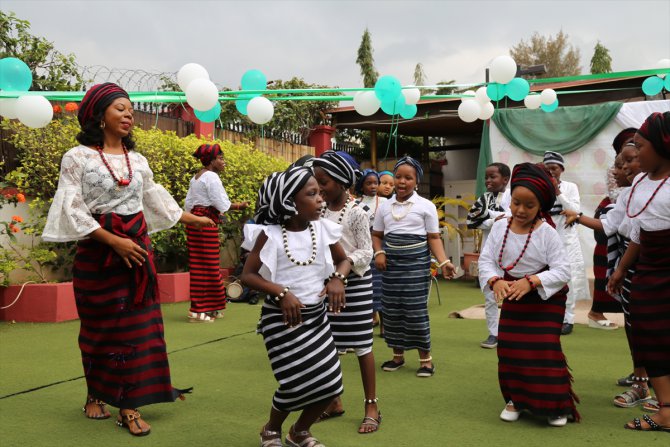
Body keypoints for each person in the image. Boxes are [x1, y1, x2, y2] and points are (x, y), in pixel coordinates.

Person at [41, 83, 215, 436]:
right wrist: (113, 241)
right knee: (100, 330)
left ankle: (129, 406)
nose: (128, 114)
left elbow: (154, 199)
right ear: (99, 115)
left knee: (139, 331)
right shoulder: (77, 157)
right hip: (99, 255)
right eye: (120, 108)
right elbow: (72, 207)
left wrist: (194, 218)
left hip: (137, 255)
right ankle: (95, 393)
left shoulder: (138, 161)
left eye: (130, 108)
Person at [240, 166, 352, 447]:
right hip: (282, 320)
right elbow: (248, 275)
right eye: (312, 194)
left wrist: (338, 279)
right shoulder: (270, 235)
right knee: (294, 383)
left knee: (332, 383)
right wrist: (281, 292)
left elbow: (344, 260)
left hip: (317, 317)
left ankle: (300, 431)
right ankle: (271, 429)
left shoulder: (323, 229)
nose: (320, 200)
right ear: (290, 202)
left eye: (321, 194)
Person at [478, 162, 577, 427]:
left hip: (546, 298)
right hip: (513, 294)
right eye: (516, 203)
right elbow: (486, 260)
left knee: (544, 347)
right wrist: (495, 280)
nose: (520, 210)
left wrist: (532, 281)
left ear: (540, 206)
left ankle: (555, 405)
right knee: (509, 347)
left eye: (529, 206)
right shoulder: (500, 227)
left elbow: (563, 270)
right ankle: (515, 400)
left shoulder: (547, 233)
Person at [563, 142, 654, 409]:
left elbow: (640, 235)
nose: (622, 167)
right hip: (633, 270)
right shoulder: (627, 197)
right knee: (635, 326)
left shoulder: (660, 191)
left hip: (653, 267)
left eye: (630, 160)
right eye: (619, 163)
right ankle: (641, 383)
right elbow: (610, 226)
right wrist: (577, 216)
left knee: (656, 327)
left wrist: (620, 269)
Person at [607, 112, 670, 432]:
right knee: (649, 335)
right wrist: (620, 270)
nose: (635, 153)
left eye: (641, 146)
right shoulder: (642, 183)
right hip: (648, 271)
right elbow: (637, 233)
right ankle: (666, 410)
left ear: (662, 146)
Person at [312, 151, 380, 434]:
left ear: (341, 181)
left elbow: (367, 251)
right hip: (327, 286)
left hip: (354, 286)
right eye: (315, 183)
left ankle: (372, 406)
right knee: (328, 348)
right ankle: (333, 401)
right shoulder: (318, 209)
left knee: (362, 346)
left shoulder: (356, 213)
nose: (319, 189)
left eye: (323, 182)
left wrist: (342, 272)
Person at [372, 156, 456, 378]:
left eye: (407, 178)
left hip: (416, 265)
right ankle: (397, 357)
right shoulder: (384, 207)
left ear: (416, 181)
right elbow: (377, 235)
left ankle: (425, 360)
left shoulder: (426, 206)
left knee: (415, 310)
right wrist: (379, 252)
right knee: (391, 310)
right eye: (398, 176)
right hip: (390, 266)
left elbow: (434, 238)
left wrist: (444, 262)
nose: (401, 182)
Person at [184, 143, 249, 322]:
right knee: (207, 267)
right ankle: (197, 311)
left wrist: (191, 220)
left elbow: (189, 204)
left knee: (203, 265)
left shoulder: (197, 176)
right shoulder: (211, 176)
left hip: (195, 222)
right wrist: (238, 206)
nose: (224, 162)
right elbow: (221, 204)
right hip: (204, 222)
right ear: (211, 161)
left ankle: (211, 307)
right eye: (220, 158)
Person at [543, 151, 590, 335]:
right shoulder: (541, 187)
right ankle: (551, 316)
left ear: (562, 169)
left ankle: (568, 318)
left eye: (554, 168)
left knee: (568, 280)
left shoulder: (570, 187)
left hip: (567, 241)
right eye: (547, 169)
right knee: (547, 278)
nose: (551, 172)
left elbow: (574, 210)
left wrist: (558, 192)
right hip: (546, 240)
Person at [466, 162, 511, 349]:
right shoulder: (483, 198)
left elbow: (514, 218)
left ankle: (511, 332)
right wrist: (493, 221)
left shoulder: (514, 195)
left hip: (512, 251)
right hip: (489, 251)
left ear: (506, 179)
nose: (488, 181)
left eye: (493, 177)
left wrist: (496, 219)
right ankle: (494, 333)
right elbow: (472, 220)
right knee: (490, 294)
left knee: (512, 294)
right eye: (487, 177)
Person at [355, 169, 388, 337]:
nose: (374, 186)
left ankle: (384, 326)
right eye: (369, 183)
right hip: (363, 248)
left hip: (381, 248)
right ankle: (368, 322)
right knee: (369, 288)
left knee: (381, 288)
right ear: (362, 185)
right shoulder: (355, 203)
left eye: (376, 182)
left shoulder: (385, 202)